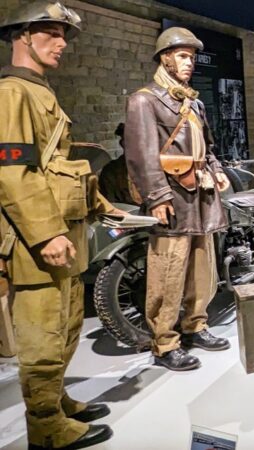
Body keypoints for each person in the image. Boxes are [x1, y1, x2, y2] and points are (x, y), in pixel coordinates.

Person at [0, 2, 121, 448]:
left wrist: (102, 204)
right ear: (22, 36)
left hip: (62, 232)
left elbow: (57, 166)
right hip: (36, 240)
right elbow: (13, 172)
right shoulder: (12, 93)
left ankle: (57, 399)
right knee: (43, 333)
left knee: (67, 325)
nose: (62, 43)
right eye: (51, 33)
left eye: (64, 34)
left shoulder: (38, 90)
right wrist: (46, 233)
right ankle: (45, 424)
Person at [125, 27, 231, 371]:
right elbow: (141, 153)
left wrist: (216, 168)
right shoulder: (145, 100)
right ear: (165, 58)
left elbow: (208, 146)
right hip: (172, 196)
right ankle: (165, 341)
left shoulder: (193, 101)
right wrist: (156, 195)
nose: (190, 62)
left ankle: (196, 324)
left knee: (202, 268)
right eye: (183, 56)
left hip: (201, 194)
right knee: (168, 272)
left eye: (192, 56)